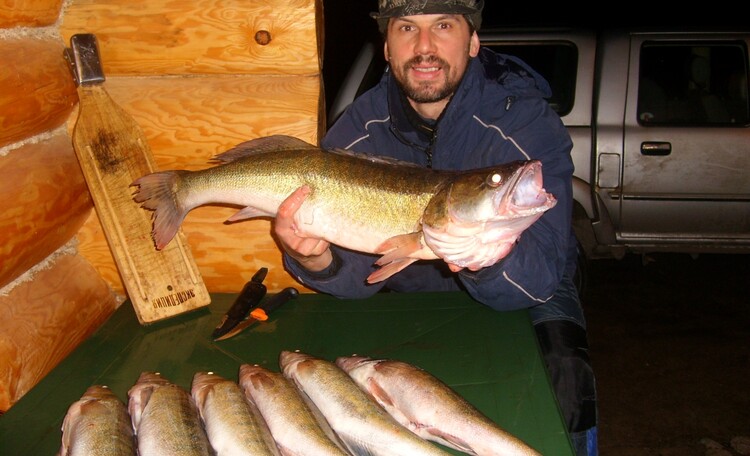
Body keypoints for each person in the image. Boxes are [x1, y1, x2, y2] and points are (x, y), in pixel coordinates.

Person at [273, 0, 597, 454]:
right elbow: (362, 278)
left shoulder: (525, 123)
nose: (424, 47)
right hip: (413, 285)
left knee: (566, 381)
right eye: (406, 28)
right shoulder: (357, 133)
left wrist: (487, 257)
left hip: (525, 279)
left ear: (473, 42)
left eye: (443, 26)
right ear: (386, 47)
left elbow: (540, 278)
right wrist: (316, 259)